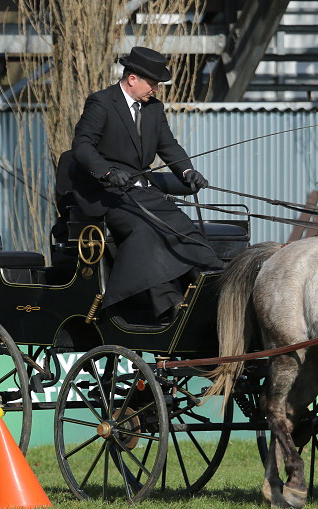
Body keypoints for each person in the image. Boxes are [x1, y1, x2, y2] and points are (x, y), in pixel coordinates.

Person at [69, 46, 224, 320]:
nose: (156, 89)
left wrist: (188, 172)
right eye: (153, 83)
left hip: (140, 191)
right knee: (147, 230)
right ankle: (169, 305)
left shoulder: (153, 109)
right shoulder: (101, 103)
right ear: (132, 78)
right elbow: (82, 146)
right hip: (105, 194)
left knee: (181, 224)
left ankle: (213, 283)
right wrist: (106, 172)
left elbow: (169, 146)